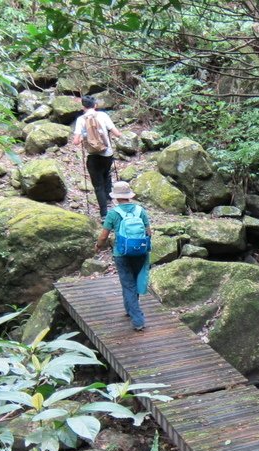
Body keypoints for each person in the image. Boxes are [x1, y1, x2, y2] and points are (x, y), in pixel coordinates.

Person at [96, 181, 152, 331]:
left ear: (116, 197)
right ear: (129, 196)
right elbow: (148, 232)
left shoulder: (113, 213)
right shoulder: (141, 210)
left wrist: (98, 247)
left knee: (128, 285)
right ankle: (129, 309)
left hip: (121, 254)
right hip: (140, 252)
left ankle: (138, 320)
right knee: (133, 281)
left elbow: (103, 236)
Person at [73, 94, 121, 218]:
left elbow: (76, 141)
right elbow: (117, 134)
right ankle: (110, 202)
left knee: (98, 185)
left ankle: (104, 214)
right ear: (95, 105)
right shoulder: (103, 116)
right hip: (107, 154)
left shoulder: (80, 120)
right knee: (107, 175)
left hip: (93, 156)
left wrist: (85, 137)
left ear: (83, 107)